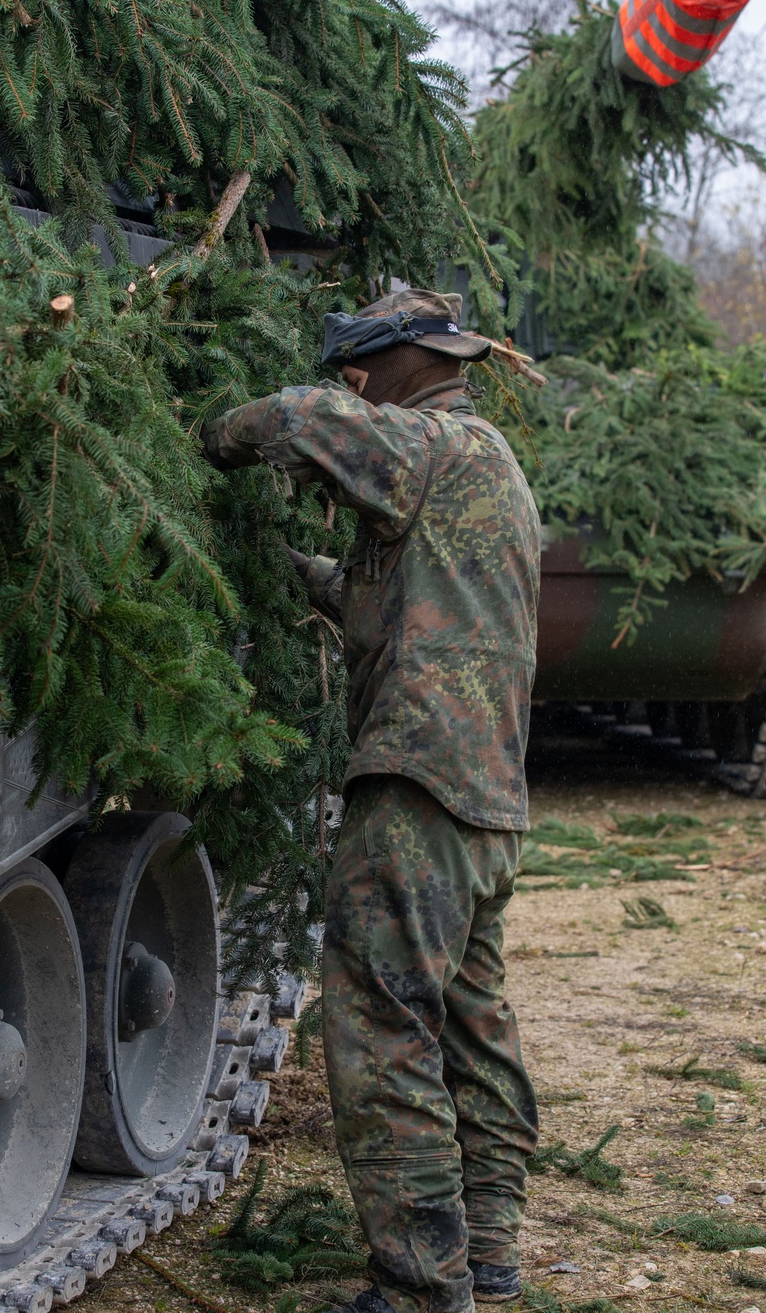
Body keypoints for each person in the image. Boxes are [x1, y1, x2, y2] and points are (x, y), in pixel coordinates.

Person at [202, 288, 540, 1313]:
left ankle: (418, 1285)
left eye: (356, 368)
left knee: (381, 1030)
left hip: (416, 790)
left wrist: (206, 441)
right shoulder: (482, 471)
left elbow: (296, 421)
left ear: (405, 367)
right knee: (467, 1025)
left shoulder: (434, 446)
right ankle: (485, 1250)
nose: (345, 384)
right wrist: (291, 571)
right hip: (481, 799)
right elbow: (382, 605)